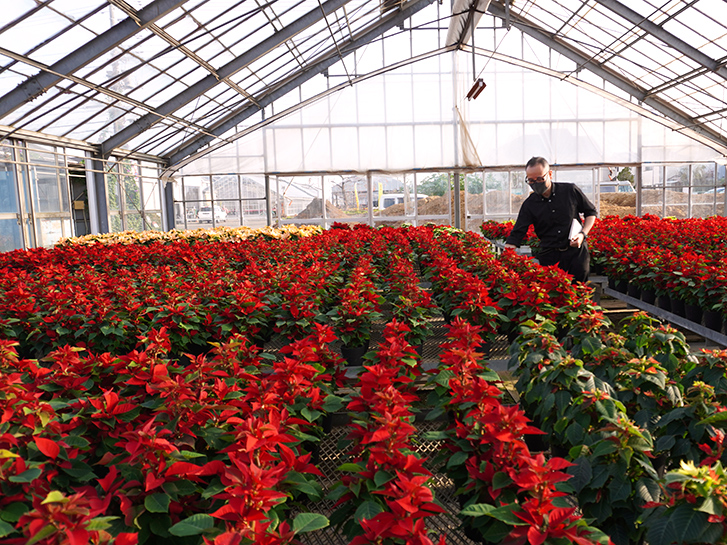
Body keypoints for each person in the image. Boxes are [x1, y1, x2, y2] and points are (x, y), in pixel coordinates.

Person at [504, 156, 597, 283]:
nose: (536, 184)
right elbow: (517, 232)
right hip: (550, 257)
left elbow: (590, 212)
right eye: (531, 181)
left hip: (576, 255)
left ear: (550, 174)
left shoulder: (570, 191)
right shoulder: (530, 204)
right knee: (553, 294)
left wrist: (582, 234)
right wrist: (505, 258)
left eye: (540, 179)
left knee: (578, 293)